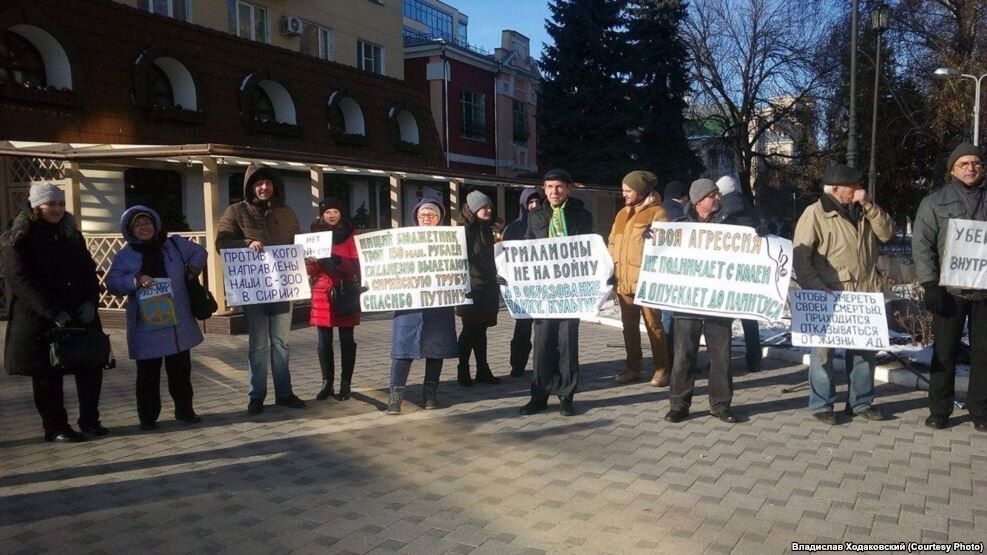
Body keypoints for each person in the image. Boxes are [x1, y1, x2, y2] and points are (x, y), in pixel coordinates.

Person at [2, 182, 107, 442]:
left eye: (60, 204)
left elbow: (88, 272)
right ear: (37, 206)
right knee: (48, 375)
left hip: (79, 314)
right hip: (40, 317)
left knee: (91, 366)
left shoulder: (71, 233)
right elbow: (19, 279)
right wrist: (53, 311)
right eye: (51, 204)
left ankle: (90, 420)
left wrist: (90, 302)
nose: (57, 209)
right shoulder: (21, 235)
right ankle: (56, 426)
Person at [793, 164, 894, 425]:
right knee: (823, 355)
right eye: (854, 185)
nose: (859, 189)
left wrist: (870, 206)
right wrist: (815, 287)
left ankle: (860, 403)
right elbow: (801, 259)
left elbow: (887, 233)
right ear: (836, 189)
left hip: (864, 293)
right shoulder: (814, 213)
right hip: (830, 294)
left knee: (863, 353)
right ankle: (822, 405)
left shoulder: (864, 211)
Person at [107, 206, 207, 430]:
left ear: (156, 224)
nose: (144, 227)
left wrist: (192, 270)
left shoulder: (173, 244)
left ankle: (185, 410)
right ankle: (148, 416)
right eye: (138, 224)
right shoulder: (125, 255)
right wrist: (136, 279)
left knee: (181, 370)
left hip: (177, 322)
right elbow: (112, 283)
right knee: (148, 374)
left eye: (147, 222)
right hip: (147, 325)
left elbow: (200, 252)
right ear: (130, 230)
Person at [216, 162, 304, 415]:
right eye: (258, 183)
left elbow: (296, 243)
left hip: (282, 288)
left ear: (274, 186)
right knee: (257, 344)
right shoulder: (235, 211)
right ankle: (256, 396)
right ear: (251, 187)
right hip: (254, 289)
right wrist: (246, 242)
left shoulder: (286, 212)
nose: (264, 187)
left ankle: (284, 393)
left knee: (281, 342)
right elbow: (222, 242)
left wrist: (305, 255)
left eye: (267, 183)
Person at [913, 142, 987, 432]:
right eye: (964, 163)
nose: (970, 168)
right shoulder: (934, 201)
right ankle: (940, 410)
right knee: (944, 353)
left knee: (984, 353)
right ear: (952, 169)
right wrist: (930, 283)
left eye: (976, 163)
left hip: (984, 292)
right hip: (949, 291)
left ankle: (980, 409)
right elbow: (922, 245)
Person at [517, 169, 593, 417]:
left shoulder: (581, 214)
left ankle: (566, 396)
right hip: (543, 293)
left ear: (568, 188)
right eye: (549, 187)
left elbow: (589, 249)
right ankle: (538, 396)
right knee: (542, 346)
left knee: (567, 345)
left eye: (559, 186)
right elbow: (527, 249)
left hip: (570, 292)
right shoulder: (536, 216)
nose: (554, 191)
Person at [665, 179, 739, 424]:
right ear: (698, 201)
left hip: (719, 301)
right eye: (711, 195)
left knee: (721, 355)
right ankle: (679, 404)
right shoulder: (680, 227)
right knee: (684, 354)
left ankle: (721, 405)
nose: (717, 198)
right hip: (687, 302)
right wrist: (653, 239)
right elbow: (665, 256)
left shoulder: (730, 224)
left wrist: (755, 231)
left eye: (717, 194)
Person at [387, 199, 459, 414]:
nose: (427, 219)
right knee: (403, 350)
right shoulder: (403, 240)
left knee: (435, 348)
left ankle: (430, 394)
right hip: (409, 304)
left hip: (438, 303)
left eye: (432, 215)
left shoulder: (449, 241)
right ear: (416, 218)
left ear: (439, 219)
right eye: (423, 216)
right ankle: (395, 397)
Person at [608, 171, 671, 387]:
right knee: (629, 328)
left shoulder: (657, 213)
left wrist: (656, 238)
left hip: (646, 283)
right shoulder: (621, 214)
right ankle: (633, 368)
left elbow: (667, 247)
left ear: (641, 191)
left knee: (654, 326)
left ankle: (662, 369)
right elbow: (612, 244)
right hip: (623, 282)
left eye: (628, 190)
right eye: (623, 189)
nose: (623, 193)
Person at [305, 197, 360, 401]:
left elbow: (356, 263)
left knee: (347, 339)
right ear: (322, 214)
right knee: (323, 340)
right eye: (327, 212)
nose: (331, 215)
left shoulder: (350, 235)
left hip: (346, 290)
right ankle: (326, 382)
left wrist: (340, 263)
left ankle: (346, 383)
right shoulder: (314, 235)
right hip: (322, 291)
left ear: (341, 214)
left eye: (335, 211)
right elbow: (311, 270)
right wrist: (312, 263)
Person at [715, 175, 763, 373]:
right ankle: (754, 359)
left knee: (722, 321)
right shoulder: (751, 211)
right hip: (747, 273)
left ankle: (720, 361)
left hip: (726, 273)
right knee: (749, 319)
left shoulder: (722, 213)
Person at [456, 190, 501, 386]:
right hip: (471, 289)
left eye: (490, 206)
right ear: (473, 209)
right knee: (469, 331)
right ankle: (463, 369)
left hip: (487, 288)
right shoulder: (463, 231)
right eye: (484, 207)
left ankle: (482, 369)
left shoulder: (488, 230)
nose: (489, 209)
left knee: (481, 331)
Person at [502, 188, 541, 377]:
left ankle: (550, 364)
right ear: (523, 204)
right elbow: (504, 256)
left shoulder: (547, 223)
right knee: (522, 328)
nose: (534, 205)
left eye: (536, 201)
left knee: (547, 329)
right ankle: (517, 365)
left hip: (543, 284)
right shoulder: (513, 228)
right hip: (522, 287)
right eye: (530, 202)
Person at [659, 180, 691, 360]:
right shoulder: (684, 213)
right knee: (680, 316)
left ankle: (666, 355)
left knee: (666, 315)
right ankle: (679, 356)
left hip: (662, 272)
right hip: (680, 272)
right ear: (684, 196)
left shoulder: (657, 211)